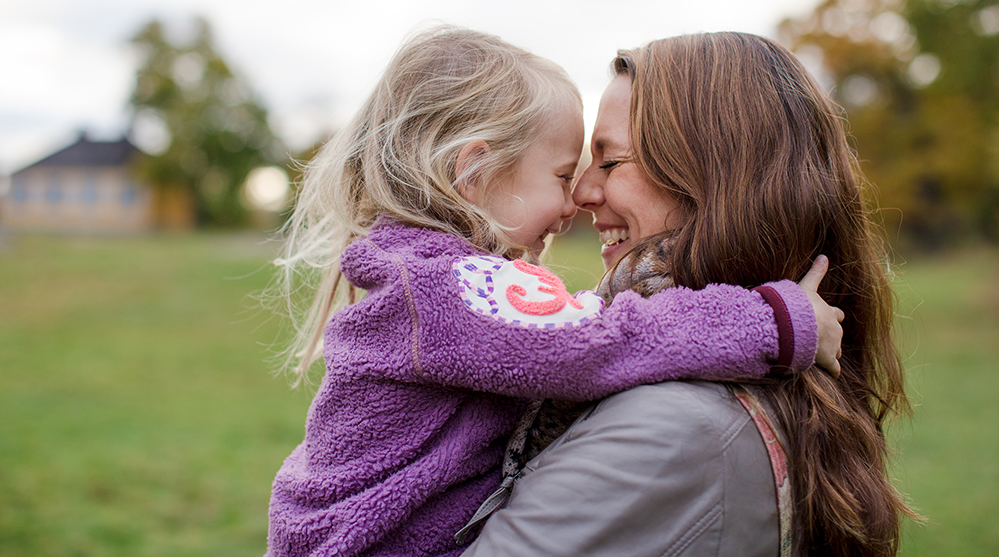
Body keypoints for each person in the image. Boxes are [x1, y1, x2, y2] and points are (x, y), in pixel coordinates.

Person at [265, 27, 843, 557]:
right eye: (566, 174)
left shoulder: (427, 277)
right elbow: (598, 342)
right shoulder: (453, 288)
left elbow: (583, 328)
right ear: (474, 173)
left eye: (607, 161)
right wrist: (771, 320)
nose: (578, 199)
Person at [463, 32, 915, 557]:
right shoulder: (746, 377)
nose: (581, 193)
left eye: (609, 162)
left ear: (715, 180)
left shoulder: (674, 426)